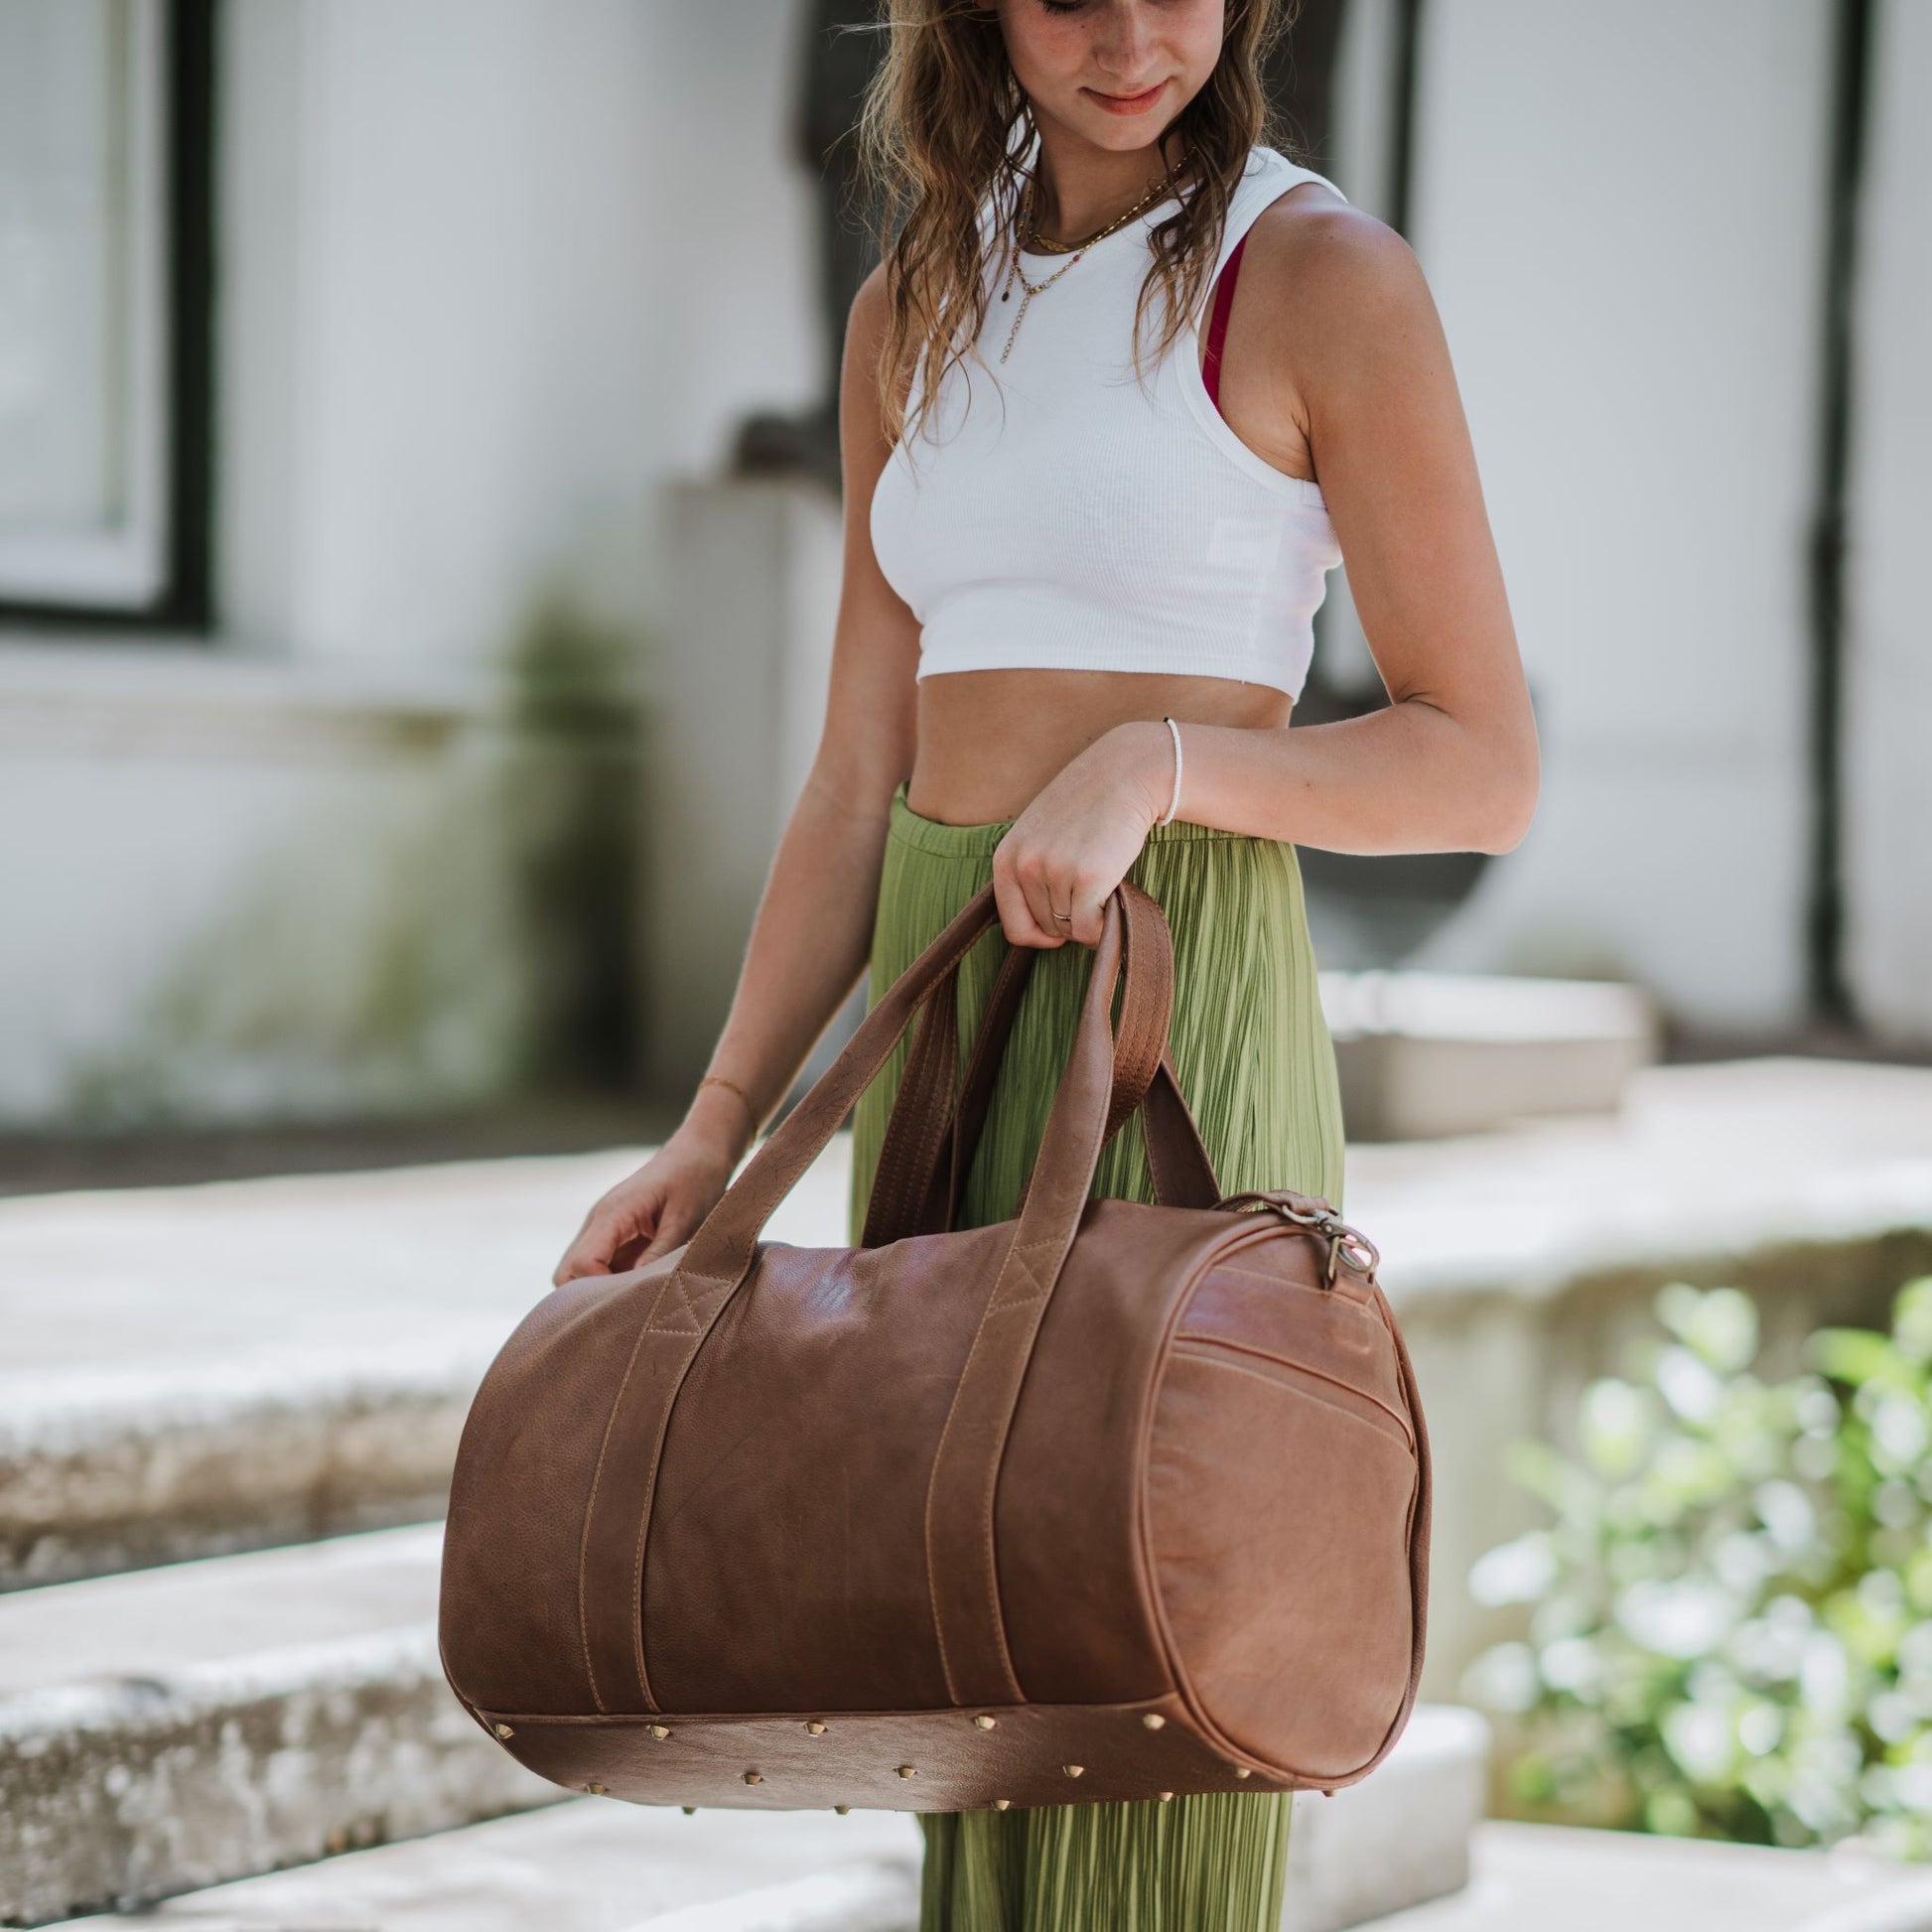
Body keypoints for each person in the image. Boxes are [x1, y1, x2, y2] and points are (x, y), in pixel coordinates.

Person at [555, 0, 1537, 1924]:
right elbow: (852, 777)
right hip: (941, 1003)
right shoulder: (911, 308)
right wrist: (718, 1126)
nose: (1129, 35)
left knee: (1167, 1640)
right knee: (970, 1643)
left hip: (1175, 978)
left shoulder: (1319, 275)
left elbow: (1478, 761)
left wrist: (1159, 763)